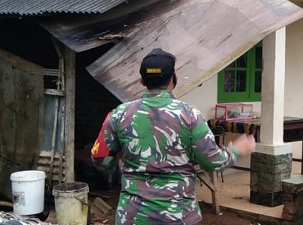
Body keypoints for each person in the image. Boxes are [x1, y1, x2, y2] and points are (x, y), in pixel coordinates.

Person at [91, 48, 256, 224]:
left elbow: (99, 156)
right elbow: (213, 161)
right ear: (174, 79)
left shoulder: (119, 114)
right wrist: (236, 150)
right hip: (178, 216)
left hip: (132, 216)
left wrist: (124, 170)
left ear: (141, 80)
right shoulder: (190, 115)